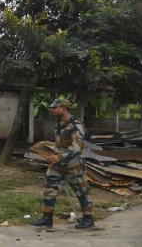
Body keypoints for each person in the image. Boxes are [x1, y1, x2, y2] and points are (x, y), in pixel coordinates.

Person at [32, 98, 94, 229]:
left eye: (55, 108)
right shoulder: (59, 123)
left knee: (82, 192)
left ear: (63, 108)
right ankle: (47, 218)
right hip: (57, 166)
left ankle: (88, 219)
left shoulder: (76, 125)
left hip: (73, 166)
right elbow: (60, 144)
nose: (52, 110)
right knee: (50, 189)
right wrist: (49, 151)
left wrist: (60, 156)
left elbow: (77, 147)